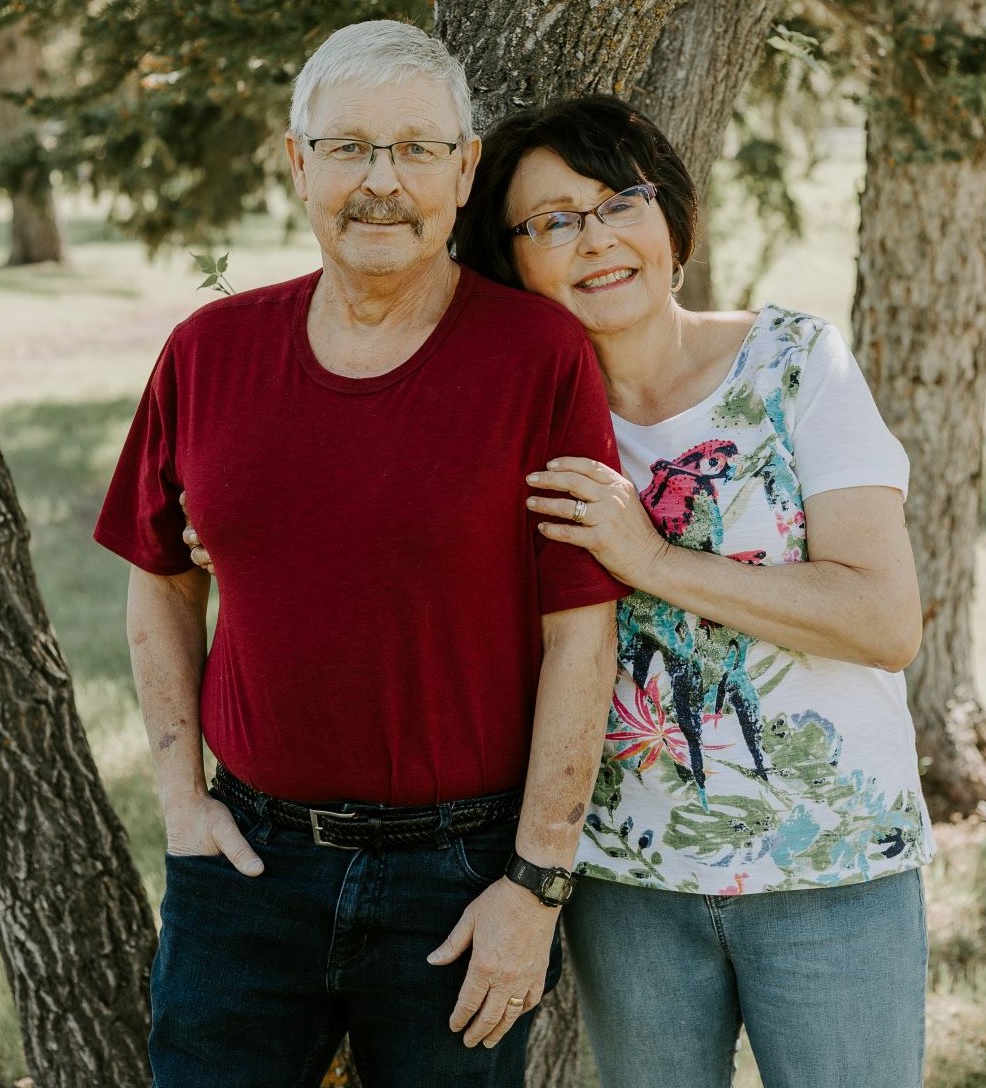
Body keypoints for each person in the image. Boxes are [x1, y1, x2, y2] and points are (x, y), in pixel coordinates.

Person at [93, 23, 624, 1088]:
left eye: (418, 150)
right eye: (348, 148)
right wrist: (182, 802)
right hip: (244, 867)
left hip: (462, 879)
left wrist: (535, 879)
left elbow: (581, 633)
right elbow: (159, 578)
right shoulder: (210, 351)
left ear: (465, 171)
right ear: (298, 163)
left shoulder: (537, 357)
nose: (383, 183)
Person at [450, 96, 937, 1088]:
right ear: (516, 263)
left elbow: (885, 619)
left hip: (833, 868)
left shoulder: (797, 363)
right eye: (551, 220)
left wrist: (658, 560)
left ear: (669, 218)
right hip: (629, 883)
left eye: (617, 201)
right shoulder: (524, 422)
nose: (595, 239)